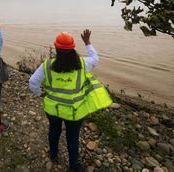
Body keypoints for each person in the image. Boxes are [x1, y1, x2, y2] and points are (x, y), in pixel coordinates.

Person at [29, 30, 112, 172]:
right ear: (73, 48)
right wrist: (87, 43)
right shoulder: (83, 64)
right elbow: (95, 58)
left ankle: (53, 155)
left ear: (56, 48)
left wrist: (40, 94)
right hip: (75, 111)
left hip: (53, 109)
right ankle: (74, 165)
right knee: (72, 137)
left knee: (54, 131)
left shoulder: (47, 66)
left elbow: (32, 82)